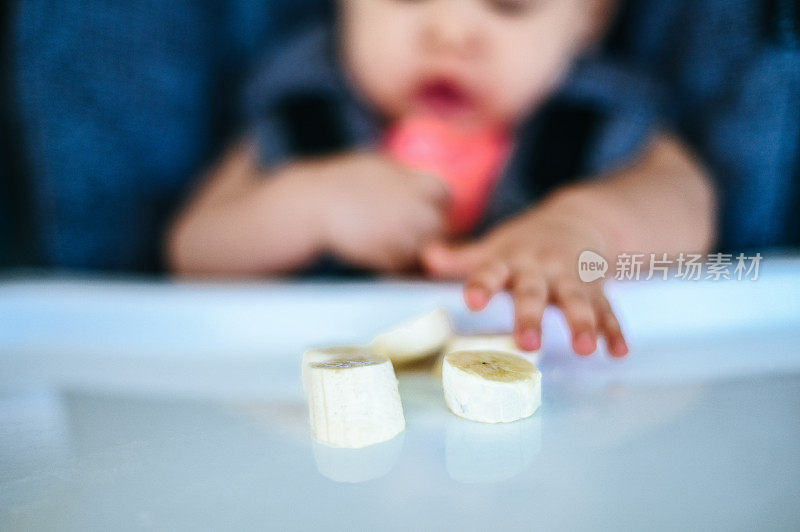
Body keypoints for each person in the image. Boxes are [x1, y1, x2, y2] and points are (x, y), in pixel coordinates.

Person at [167, 0, 716, 357]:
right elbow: (194, 250)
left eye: (510, 6)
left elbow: (689, 204)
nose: (450, 33)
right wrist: (308, 206)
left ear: (587, 21)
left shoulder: (593, 118)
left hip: (551, 396)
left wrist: (586, 228)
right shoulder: (306, 113)